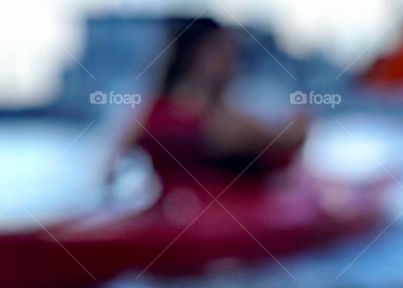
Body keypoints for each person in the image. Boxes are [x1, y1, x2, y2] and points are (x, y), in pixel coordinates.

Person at [105, 18, 309, 189]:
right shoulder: (220, 120)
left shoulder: (145, 114)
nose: (233, 62)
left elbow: (109, 172)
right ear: (199, 56)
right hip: (220, 222)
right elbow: (291, 138)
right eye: (225, 51)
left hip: (178, 215)